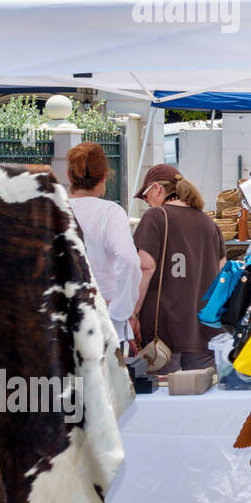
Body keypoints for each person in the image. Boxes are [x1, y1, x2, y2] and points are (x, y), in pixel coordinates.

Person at [129, 164, 225, 372]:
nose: (147, 203)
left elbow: (145, 267)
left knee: (161, 398)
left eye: (145, 196)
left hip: (163, 332)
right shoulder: (209, 223)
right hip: (204, 331)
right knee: (203, 399)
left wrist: (133, 314)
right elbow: (221, 273)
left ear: (156, 189)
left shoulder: (155, 217)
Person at [67, 142, 141, 349]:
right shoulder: (109, 212)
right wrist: (121, 311)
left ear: (69, 175)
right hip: (104, 319)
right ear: (104, 177)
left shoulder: (51, 210)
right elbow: (128, 260)